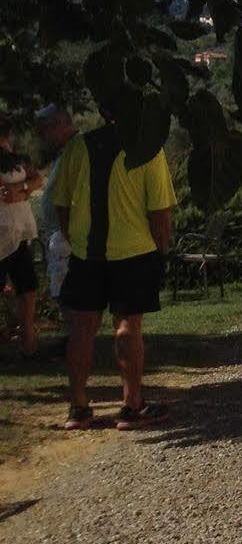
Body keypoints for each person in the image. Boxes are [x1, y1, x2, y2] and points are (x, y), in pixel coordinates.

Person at [49, 127, 174, 430]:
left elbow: (61, 205)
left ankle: (78, 407)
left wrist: (75, 239)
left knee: (81, 327)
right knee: (129, 324)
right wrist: (161, 250)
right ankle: (132, 406)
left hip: (86, 253)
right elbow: (160, 212)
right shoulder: (147, 145)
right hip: (133, 250)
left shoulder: (77, 147)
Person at [0, 131, 45, 361]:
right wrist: (23, 189)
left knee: (27, 289)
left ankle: (28, 344)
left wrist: (21, 190)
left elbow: (37, 179)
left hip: (19, 233)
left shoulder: (18, 159)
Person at [35, 106, 76, 314]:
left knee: (67, 296)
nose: (42, 137)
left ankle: (76, 343)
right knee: (63, 295)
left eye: (44, 130)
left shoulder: (74, 152)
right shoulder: (64, 153)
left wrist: (68, 235)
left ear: (60, 125)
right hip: (60, 235)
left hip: (65, 236)